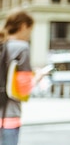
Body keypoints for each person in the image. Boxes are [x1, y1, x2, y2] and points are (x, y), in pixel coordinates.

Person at [0, 8, 49, 145]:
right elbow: (24, 89)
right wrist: (38, 76)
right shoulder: (21, 47)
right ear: (23, 26)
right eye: (30, 30)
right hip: (8, 116)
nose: (29, 35)